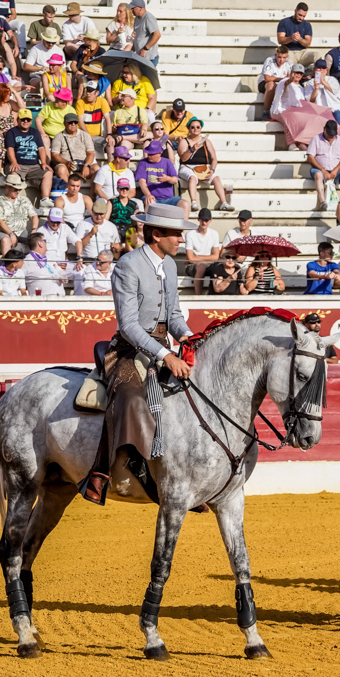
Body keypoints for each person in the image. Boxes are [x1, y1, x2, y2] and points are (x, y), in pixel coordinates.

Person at [79, 203, 195, 503]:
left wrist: (188, 337)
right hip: (127, 350)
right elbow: (129, 325)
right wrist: (166, 355)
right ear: (157, 234)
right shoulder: (127, 265)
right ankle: (102, 472)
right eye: (176, 234)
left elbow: (174, 315)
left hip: (162, 347)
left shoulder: (170, 266)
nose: (181, 239)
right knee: (130, 398)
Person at [177, 118, 233, 213]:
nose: (195, 129)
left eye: (198, 127)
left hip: (204, 167)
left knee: (216, 178)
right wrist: (191, 150)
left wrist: (212, 170)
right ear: (189, 129)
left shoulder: (206, 141)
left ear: (201, 129)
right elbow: (183, 158)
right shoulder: (184, 142)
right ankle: (193, 202)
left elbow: (214, 158)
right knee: (192, 178)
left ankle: (224, 203)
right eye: (193, 127)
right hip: (188, 166)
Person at [5, 108, 53, 200]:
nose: (25, 121)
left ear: (31, 121)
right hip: (18, 165)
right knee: (13, 175)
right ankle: (11, 200)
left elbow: (41, 148)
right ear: (18, 120)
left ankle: (45, 199)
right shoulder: (11, 132)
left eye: (28, 119)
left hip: (34, 166)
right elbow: (10, 149)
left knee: (48, 173)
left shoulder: (35, 132)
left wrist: (43, 162)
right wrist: (14, 162)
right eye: (23, 119)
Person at [0, 172, 37, 253]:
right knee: (6, 240)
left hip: (22, 231)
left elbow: (34, 216)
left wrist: (34, 229)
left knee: (35, 241)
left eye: (19, 189)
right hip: (4, 232)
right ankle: (7, 260)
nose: (18, 191)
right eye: (15, 189)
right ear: (8, 187)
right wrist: (11, 234)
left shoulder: (25, 200)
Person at [128, 0, 161, 66]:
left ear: (140, 8)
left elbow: (157, 35)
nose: (131, 10)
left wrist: (145, 49)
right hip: (140, 57)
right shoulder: (136, 19)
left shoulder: (148, 17)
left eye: (133, 8)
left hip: (149, 58)